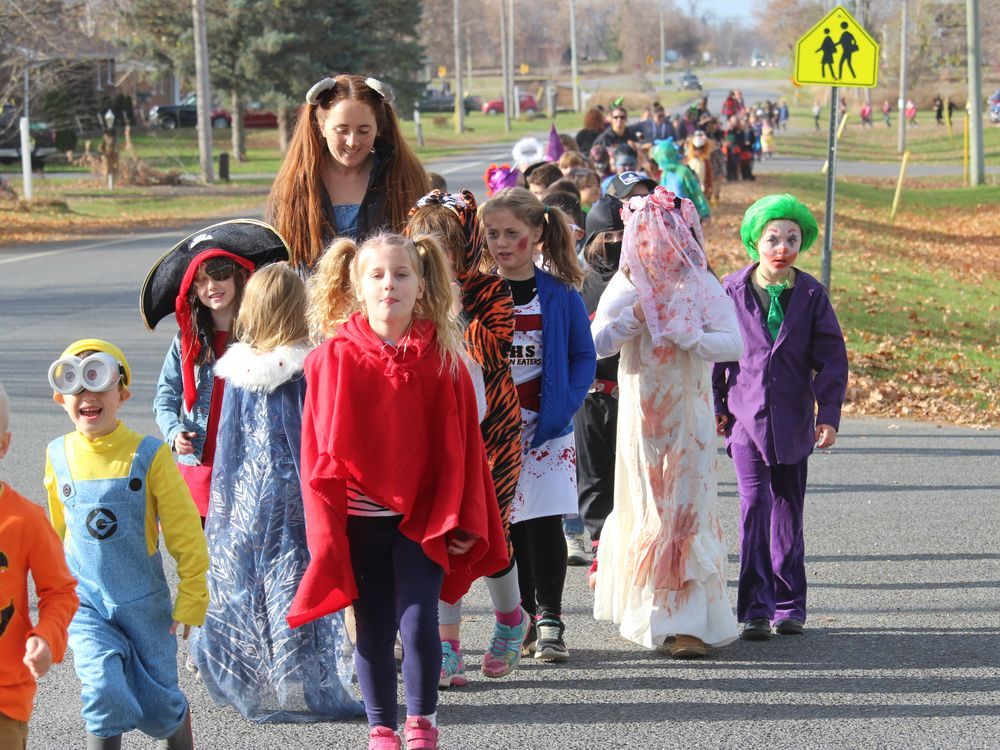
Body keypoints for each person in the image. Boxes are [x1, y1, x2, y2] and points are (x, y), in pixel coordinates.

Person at [288, 233, 508, 750]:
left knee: (418, 621)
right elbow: (317, 454)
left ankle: (422, 722)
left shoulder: (445, 359)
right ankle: (382, 728)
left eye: (402, 274)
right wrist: (327, 532)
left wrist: (464, 517)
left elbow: (464, 449)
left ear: (422, 285)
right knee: (372, 628)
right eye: (378, 275)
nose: (390, 284)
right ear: (357, 287)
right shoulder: (331, 358)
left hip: (424, 519)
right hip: (360, 521)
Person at [189, 263, 364, 723]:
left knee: (249, 583)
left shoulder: (239, 371)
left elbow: (229, 445)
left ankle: (250, 675)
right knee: (300, 581)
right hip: (298, 503)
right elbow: (321, 435)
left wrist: (227, 506)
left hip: (249, 500)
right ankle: (315, 681)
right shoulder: (309, 367)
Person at [591, 187, 742, 657]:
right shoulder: (628, 284)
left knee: (685, 506)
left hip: (688, 418)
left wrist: (693, 337)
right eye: (650, 237)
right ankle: (651, 614)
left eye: (670, 235)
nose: (660, 246)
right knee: (648, 504)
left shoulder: (701, 284)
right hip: (641, 417)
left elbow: (734, 343)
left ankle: (690, 623)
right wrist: (631, 319)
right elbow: (595, 343)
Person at [44, 339, 208, 749]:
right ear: (61, 398)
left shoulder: (149, 454)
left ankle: (177, 722)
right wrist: (52, 596)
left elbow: (184, 529)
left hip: (144, 604)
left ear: (122, 395)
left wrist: (193, 594)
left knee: (160, 705)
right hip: (86, 602)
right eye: (76, 385)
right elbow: (57, 532)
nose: (88, 395)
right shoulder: (57, 454)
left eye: (99, 381)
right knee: (102, 691)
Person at [405, 190, 530, 687]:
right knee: (440, 534)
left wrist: (452, 309)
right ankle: (447, 644)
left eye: (445, 247)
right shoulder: (408, 292)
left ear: (466, 247)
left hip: (491, 434)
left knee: (489, 533)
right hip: (435, 435)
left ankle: (511, 620)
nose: (434, 257)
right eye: (424, 246)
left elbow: (495, 350)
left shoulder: (491, 290)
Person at [713, 194, 849, 641]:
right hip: (745, 421)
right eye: (773, 238)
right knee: (755, 507)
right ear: (755, 240)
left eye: (792, 239)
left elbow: (832, 359)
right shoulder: (731, 291)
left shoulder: (811, 294)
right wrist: (716, 406)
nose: (782, 248)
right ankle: (755, 607)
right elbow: (716, 356)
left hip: (793, 421)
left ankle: (789, 605)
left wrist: (828, 414)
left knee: (788, 511)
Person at [480, 188, 597, 662]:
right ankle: (521, 615)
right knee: (507, 525)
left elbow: (583, 355)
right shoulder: (477, 293)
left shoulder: (561, 293)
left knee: (544, 522)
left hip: (546, 428)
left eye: (512, 234)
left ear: (537, 234)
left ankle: (551, 618)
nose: (501, 243)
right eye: (492, 234)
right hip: (493, 430)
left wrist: (564, 405)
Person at [267, 74, 429, 274]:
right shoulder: (295, 185)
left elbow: (424, 257)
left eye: (363, 131)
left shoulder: (404, 179)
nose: (352, 141)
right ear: (321, 127)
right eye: (342, 130)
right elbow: (277, 266)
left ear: (378, 128)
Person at [0, 382, 79, 750]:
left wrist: (46, 636)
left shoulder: (25, 520)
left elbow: (60, 592)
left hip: (4, 700)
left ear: (3, 445)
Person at [153, 252, 250, 520]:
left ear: (239, 276)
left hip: (244, 469)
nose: (212, 286)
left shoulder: (257, 338)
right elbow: (165, 396)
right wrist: (174, 432)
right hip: (198, 471)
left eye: (220, 274)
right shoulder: (187, 340)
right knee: (196, 546)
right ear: (193, 289)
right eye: (201, 280)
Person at [572, 196, 624, 588]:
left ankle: (628, 550)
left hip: (632, 394)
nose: (616, 243)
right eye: (608, 236)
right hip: (589, 396)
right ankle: (599, 547)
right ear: (592, 241)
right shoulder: (577, 284)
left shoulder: (640, 280)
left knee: (629, 476)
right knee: (593, 478)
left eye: (622, 235)